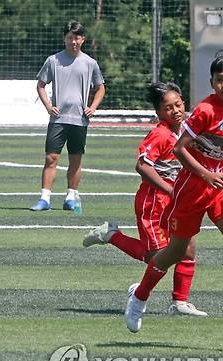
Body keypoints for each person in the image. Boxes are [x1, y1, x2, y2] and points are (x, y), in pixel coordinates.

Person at [124, 50, 223, 340]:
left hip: (222, 186)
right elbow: (180, 149)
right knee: (176, 251)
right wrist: (206, 174)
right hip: (192, 187)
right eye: (218, 79)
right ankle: (139, 296)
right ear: (212, 82)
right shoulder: (204, 110)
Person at [83, 82, 207, 317]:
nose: (176, 111)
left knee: (188, 248)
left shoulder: (187, 130)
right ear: (159, 113)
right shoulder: (159, 134)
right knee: (156, 257)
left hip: (177, 202)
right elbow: (142, 166)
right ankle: (111, 235)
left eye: (178, 105)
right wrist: (170, 190)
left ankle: (180, 302)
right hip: (154, 203)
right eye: (168, 108)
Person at [30, 21, 105, 212]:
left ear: (83, 39)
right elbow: (40, 84)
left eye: (77, 37)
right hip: (58, 119)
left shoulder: (90, 63)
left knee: (75, 159)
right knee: (51, 158)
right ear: (65, 38)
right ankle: (44, 198)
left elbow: (101, 87)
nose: (73, 41)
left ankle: (71, 196)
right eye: (70, 37)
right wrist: (48, 106)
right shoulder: (53, 60)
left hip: (79, 119)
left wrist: (93, 107)